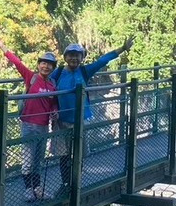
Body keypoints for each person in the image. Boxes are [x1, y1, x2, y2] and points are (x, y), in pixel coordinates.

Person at [52, 37, 135, 191]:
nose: (74, 58)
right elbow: (45, 88)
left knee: (79, 153)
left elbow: (102, 61)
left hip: (81, 120)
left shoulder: (84, 71)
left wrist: (122, 48)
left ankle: (75, 183)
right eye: (71, 55)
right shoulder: (57, 74)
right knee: (64, 155)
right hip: (62, 121)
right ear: (65, 57)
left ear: (82, 58)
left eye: (77, 55)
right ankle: (65, 184)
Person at [0, 38, 59, 201]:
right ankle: (28, 189)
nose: (46, 66)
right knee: (28, 160)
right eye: (43, 63)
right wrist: (3, 47)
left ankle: (37, 188)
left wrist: (55, 112)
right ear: (39, 65)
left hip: (43, 125)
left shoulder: (52, 84)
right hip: (29, 124)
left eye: (49, 64)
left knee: (38, 160)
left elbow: (53, 103)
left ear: (53, 68)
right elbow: (18, 63)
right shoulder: (31, 77)